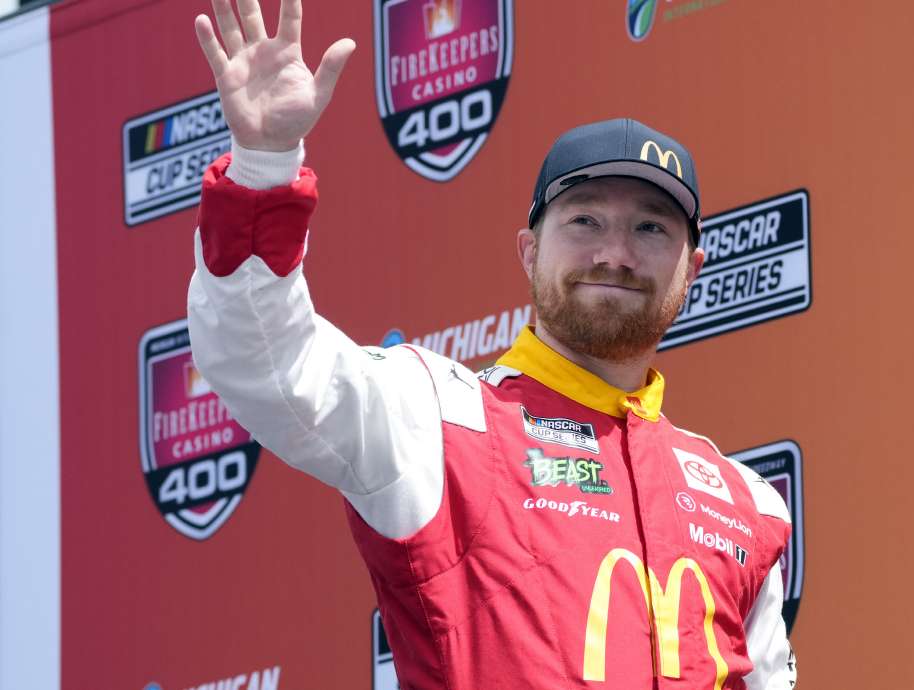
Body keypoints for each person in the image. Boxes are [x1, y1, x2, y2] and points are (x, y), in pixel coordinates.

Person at [187, 0, 797, 687]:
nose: (616, 254)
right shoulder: (436, 419)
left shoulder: (748, 504)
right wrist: (265, 166)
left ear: (692, 270)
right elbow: (264, 359)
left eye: (652, 229)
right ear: (529, 252)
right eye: (586, 220)